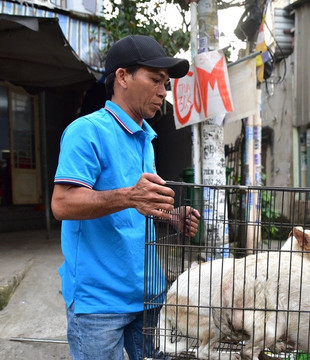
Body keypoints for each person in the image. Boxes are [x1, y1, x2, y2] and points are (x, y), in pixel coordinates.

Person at [51, 35, 201, 360]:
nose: (164, 91)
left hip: (149, 293)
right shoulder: (86, 131)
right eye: (155, 80)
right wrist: (130, 196)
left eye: (166, 83)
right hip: (99, 301)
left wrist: (170, 216)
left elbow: (138, 205)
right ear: (122, 77)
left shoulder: (146, 138)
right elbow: (62, 203)